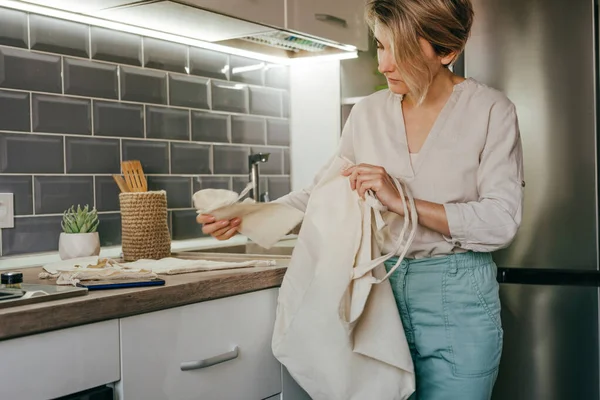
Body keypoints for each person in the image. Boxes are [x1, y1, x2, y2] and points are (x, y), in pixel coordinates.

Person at [198, 0, 524, 398]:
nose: (384, 64)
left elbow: (500, 221)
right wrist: (250, 216)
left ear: (447, 52)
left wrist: (400, 200)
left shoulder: (490, 110)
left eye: (398, 51)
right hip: (375, 294)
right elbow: (322, 195)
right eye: (380, 46)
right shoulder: (367, 112)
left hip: (457, 298)